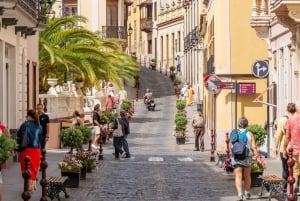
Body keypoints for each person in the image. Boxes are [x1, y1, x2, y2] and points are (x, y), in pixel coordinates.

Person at [231, 117, 259, 201]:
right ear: (247, 124)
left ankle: (240, 194)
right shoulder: (250, 133)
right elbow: (254, 146)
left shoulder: (234, 133)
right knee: (247, 175)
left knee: (238, 176)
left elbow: (231, 145)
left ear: (238, 124)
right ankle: (247, 192)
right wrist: (256, 155)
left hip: (236, 156)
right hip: (247, 156)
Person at [17, 109, 43, 193]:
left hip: (26, 149)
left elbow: (18, 134)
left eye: (26, 116)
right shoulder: (39, 126)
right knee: (34, 168)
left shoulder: (25, 125)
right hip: (37, 150)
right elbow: (41, 139)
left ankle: (28, 188)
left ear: (29, 116)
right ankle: (31, 186)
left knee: (26, 168)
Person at [274, 102, 296, 190]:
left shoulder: (282, 120)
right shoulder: (297, 119)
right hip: (296, 147)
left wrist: (276, 147)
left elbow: (278, 135)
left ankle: (284, 187)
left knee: (285, 168)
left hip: (285, 147)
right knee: (296, 168)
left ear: (287, 110)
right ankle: (295, 187)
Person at [283, 100, 300, 192]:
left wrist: (284, 148)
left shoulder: (290, 120)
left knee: (295, 172)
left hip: (295, 150)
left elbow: (287, 136)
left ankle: (295, 190)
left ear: (296, 108)